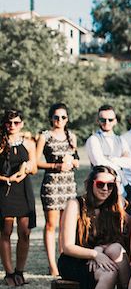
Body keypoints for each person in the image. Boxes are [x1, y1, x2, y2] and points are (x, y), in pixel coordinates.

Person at [58, 166, 130, 289]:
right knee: (110, 271)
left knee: (110, 268)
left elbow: (119, 240)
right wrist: (94, 254)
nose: (105, 189)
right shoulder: (76, 204)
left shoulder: (115, 205)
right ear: (91, 185)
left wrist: (100, 250)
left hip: (102, 257)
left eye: (110, 185)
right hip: (74, 259)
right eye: (101, 184)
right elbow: (67, 246)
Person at [36, 103, 80, 277]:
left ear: (67, 119)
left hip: (68, 185)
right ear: (50, 118)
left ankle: (64, 262)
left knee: (66, 226)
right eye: (56, 117)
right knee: (51, 225)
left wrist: (74, 162)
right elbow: (36, 162)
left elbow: (75, 157)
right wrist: (55, 165)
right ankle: (52, 265)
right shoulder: (45, 136)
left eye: (63, 117)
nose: (59, 120)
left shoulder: (72, 136)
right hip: (52, 185)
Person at [0, 109, 37, 287]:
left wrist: (26, 169)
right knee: (6, 231)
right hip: (4, 190)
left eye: (16, 122)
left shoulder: (29, 143)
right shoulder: (0, 142)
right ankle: (9, 273)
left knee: (25, 232)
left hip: (23, 189)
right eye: (9, 123)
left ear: (22, 123)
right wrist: (7, 179)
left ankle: (20, 272)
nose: (12, 126)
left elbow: (35, 167)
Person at [85, 105, 131, 187]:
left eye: (110, 120)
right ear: (98, 121)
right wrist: (121, 161)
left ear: (115, 121)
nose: (107, 122)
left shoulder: (121, 140)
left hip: (121, 187)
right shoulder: (93, 140)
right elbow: (99, 164)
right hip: (101, 186)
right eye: (103, 120)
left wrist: (112, 159)